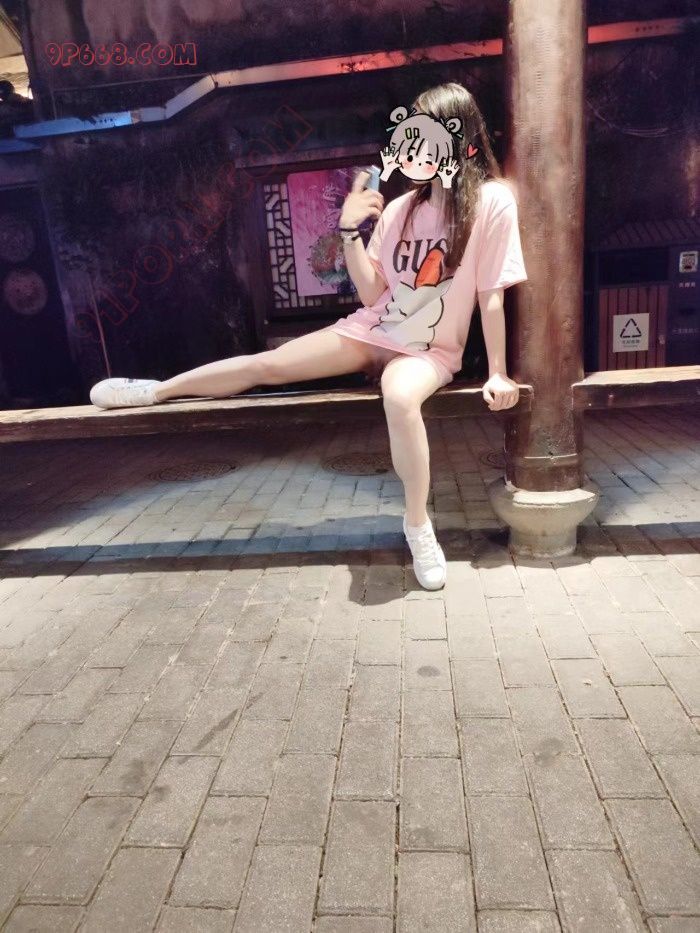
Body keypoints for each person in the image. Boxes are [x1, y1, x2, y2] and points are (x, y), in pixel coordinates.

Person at [89, 81, 528, 590]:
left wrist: (498, 372)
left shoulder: (492, 202)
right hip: (374, 330)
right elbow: (372, 294)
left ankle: (417, 525)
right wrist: (348, 231)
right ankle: (154, 391)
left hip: (430, 349)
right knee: (268, 364)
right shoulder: (400, 209)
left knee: (399, 396)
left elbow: (491, 294)